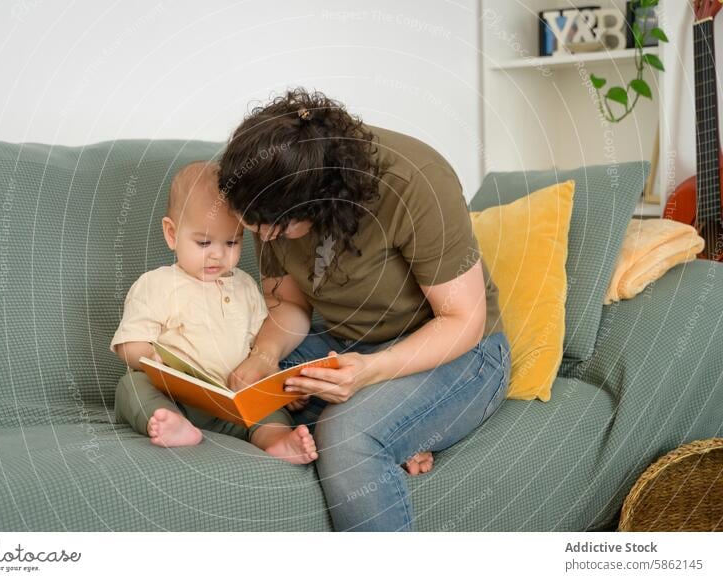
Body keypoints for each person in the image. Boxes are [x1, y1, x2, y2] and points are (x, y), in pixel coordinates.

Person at [218, 88, 512, 531]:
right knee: (224, 384)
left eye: (269, 227)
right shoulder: (268, 188)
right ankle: (396, 433)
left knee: (348, 438)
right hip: (346, 343)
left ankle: (386, 432)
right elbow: (290, 303)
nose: (256, 234)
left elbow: (463, 319)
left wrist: (371, 373)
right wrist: (264, 357)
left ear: (320, 205)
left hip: (462, 351)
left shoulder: (414, 181)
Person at [111, 161, 318, 464]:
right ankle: (170, 422)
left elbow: (262, 346)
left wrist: (280, 384)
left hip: (234, 401)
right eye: (204, 242)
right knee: (131, 385)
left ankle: (273, 439)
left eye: (232, 242)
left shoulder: (245, 287)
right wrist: (151, 358)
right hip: (179, 397)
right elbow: (128, 343)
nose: (218, 254)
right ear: (172, 234)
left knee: (269, 408)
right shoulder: (157, 284)